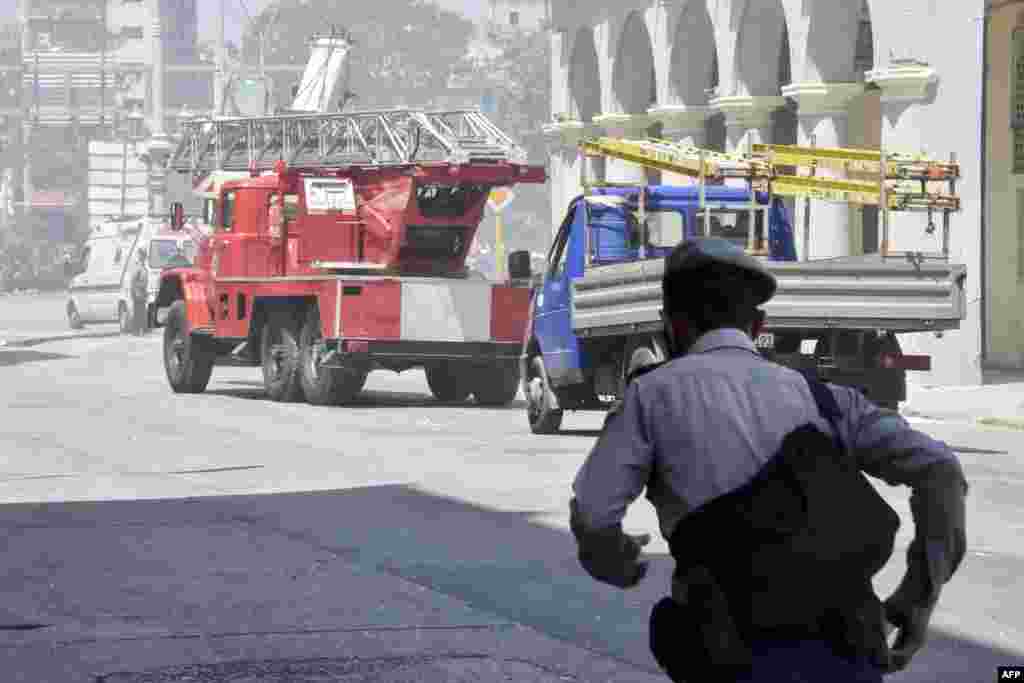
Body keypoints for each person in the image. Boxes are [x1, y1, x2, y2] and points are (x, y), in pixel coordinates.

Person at [569, 237, 968, 682]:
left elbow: (593, 513)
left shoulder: (650, 395)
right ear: (758, 326)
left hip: (728, 653)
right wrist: (917, 598)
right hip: (848, 650)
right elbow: (941, 471)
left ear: (669, 324)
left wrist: (616, 560)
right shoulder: (829, 400)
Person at [130, 248, 149, 335]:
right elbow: (133, 280)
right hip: (138, 292)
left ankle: (141, 329)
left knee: (141, 311)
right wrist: (135, 291)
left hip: (142, 292)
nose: (144, 257)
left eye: (144, 255)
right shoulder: (138, 266)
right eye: (142, 255)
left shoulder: (143, 266)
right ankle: (136, 330)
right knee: (138, 312)